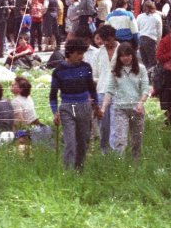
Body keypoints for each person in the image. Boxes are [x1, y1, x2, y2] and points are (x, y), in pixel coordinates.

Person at [50, 37, 102, 170]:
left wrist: (96, 106)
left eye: (83, 53)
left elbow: (91, 88)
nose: (81, 56)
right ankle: (68, 172)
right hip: (67, 107)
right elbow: (53, 96)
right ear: (70, 53)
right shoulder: (58, 71)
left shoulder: (86, 67)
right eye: (78, 53)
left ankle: (79, 169)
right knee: (70, 142)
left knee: (83, 141)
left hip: (84, 106)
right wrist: (55, 112)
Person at [101, 41, 150, 159]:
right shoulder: (115, 71)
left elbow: (145, 89)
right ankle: (120, 166)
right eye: (122, 56)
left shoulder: (141, 69)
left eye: (127, 55)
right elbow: (109, 90)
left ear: (132, 55)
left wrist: (140, 103)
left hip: (136, 109)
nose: (125, 58)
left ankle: (136, 165)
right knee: (120, 140)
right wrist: (103, 108)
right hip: (120, 109)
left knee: (136, 141)